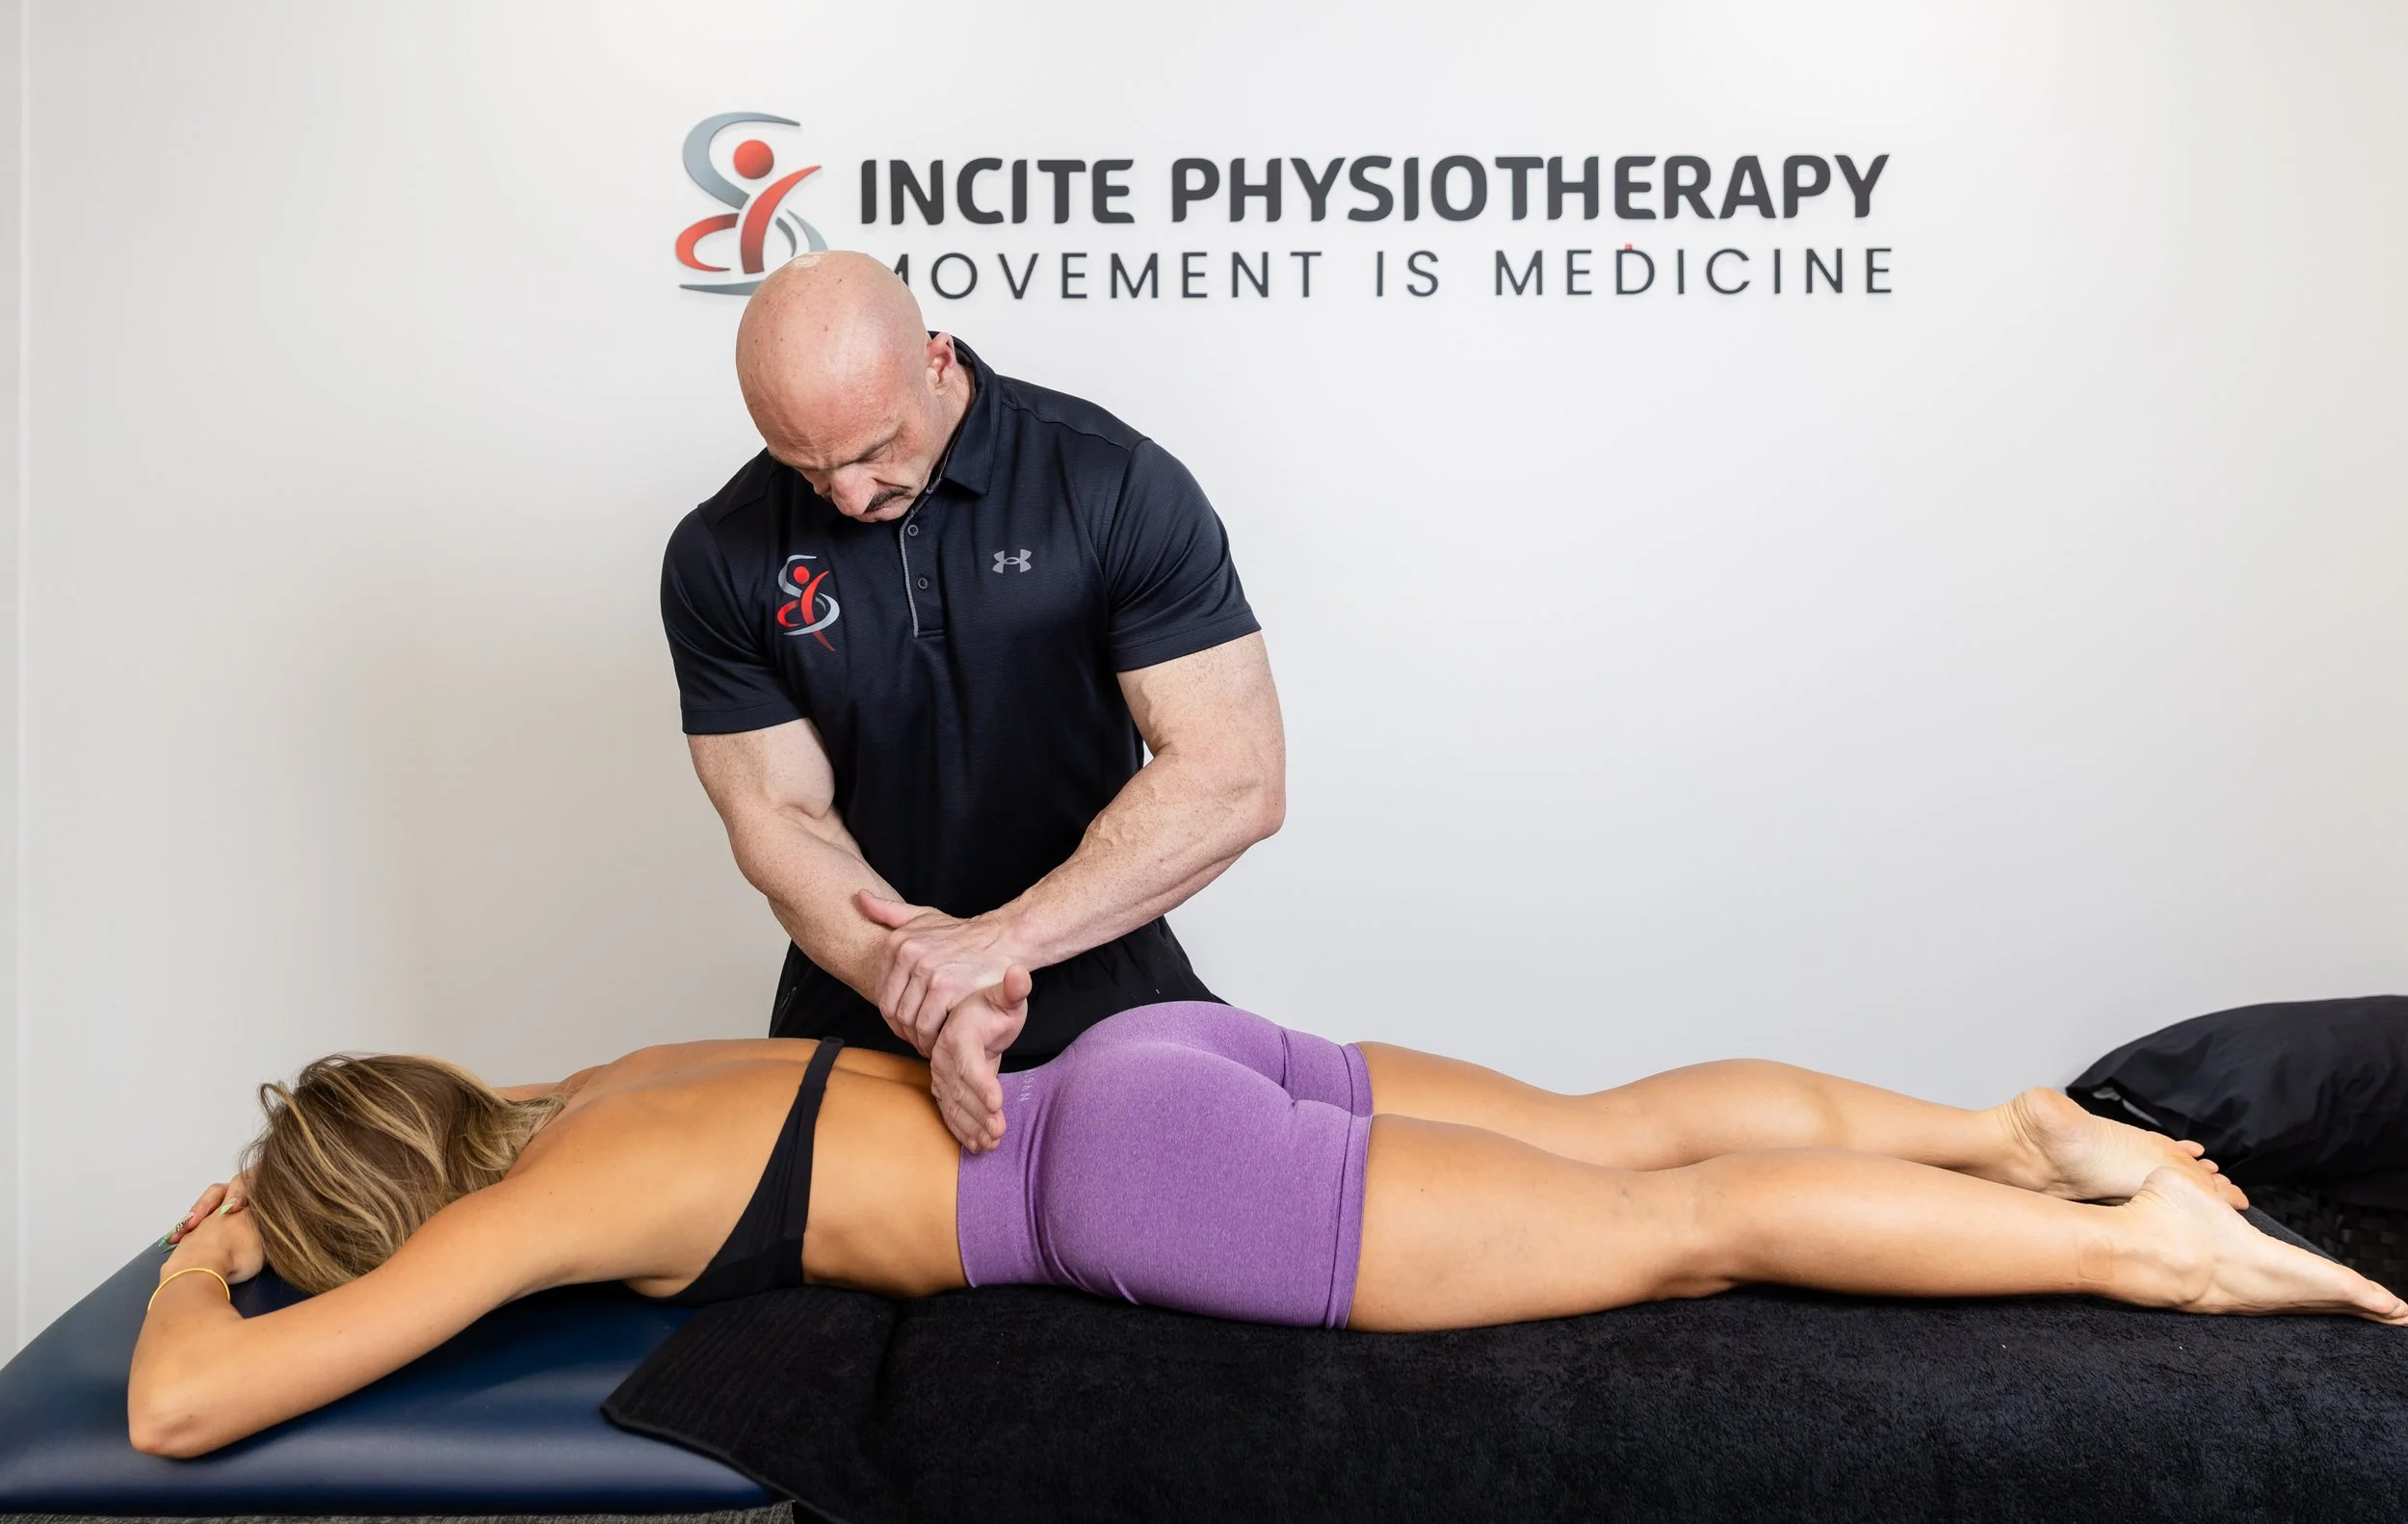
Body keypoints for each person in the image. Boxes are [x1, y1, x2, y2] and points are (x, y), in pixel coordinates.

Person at [133, 983, 2402, 1458]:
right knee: (1627, 1131)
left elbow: (182, 1411)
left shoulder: (532, 1209)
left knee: (1683, 1237)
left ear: (400, 1202)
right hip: (1143, 1068)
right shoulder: (614, 1073)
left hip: (1127, 1185)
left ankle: (2150, 1256)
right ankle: (2010, 1132)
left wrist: (204, 1260)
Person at [663, 250, 1284, 1151]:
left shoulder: (1110, 483)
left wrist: (1001, 945)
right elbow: (779, 817)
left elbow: (1235, 777)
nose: (848, 496)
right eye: (807, 468)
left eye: (875, 451)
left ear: (938, 360)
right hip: (862, 988)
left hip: (1100, 972)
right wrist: (922, 990)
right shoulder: (720, 552)